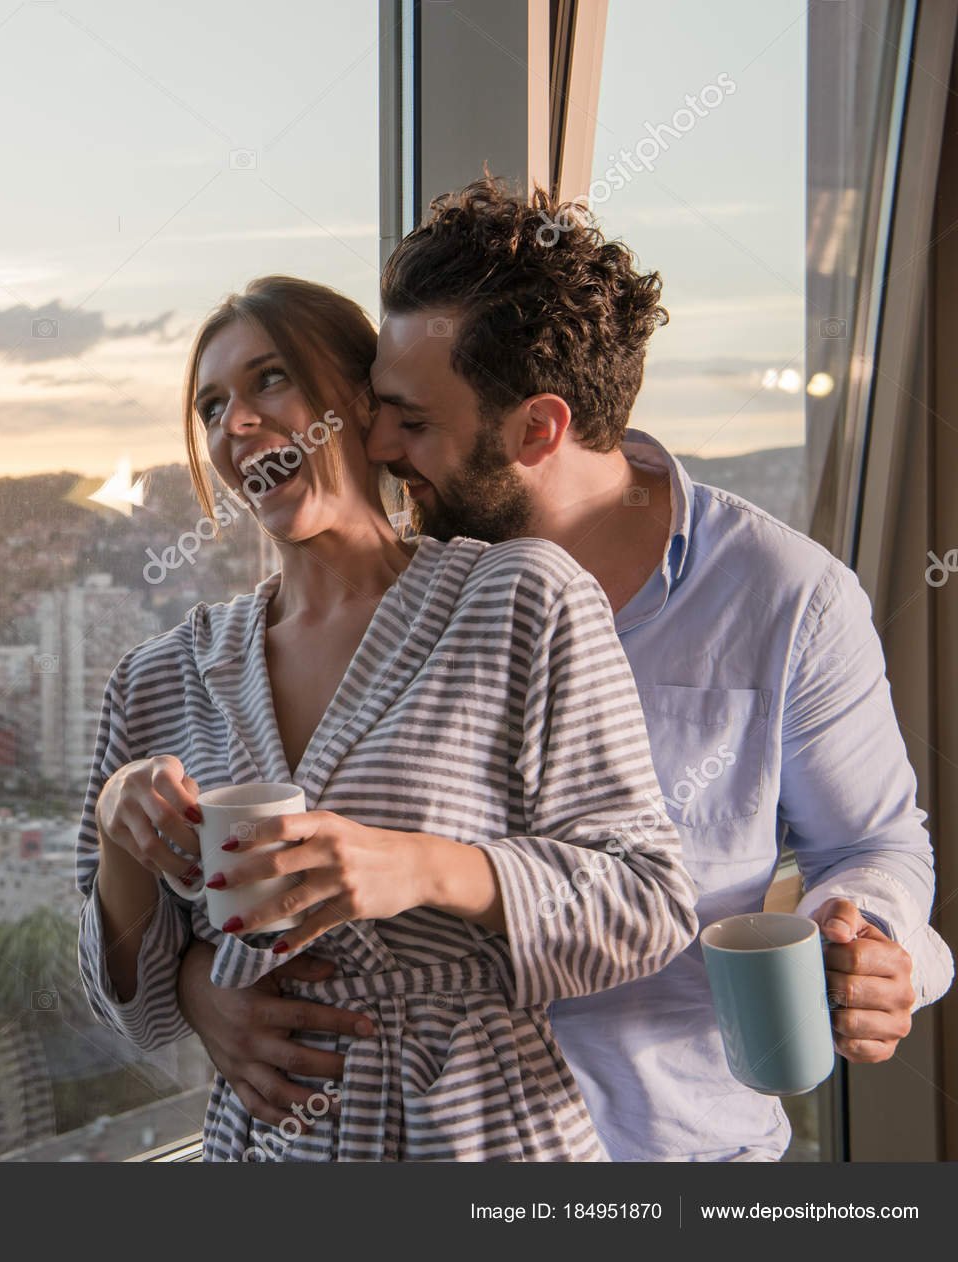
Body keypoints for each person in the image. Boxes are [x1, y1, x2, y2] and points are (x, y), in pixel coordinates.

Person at [175, 181, 954, 1161]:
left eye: (411, 421)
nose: (374, 445)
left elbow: (875, 843)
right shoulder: (389, 594)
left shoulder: (783, 597)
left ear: (536, 429)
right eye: (376, 408)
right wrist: (196, 979)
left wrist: (882, 946)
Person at [76, 274, 699, 1161]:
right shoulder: (157, 679)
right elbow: (130, 1013)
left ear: (362, 405)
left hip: (485, 1138)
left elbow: (646, 902)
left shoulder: (520, 598)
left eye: (270, 380)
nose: (236, 424)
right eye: (212, 406)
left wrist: (426, 868)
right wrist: (119, 841)